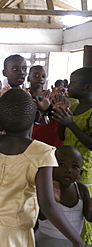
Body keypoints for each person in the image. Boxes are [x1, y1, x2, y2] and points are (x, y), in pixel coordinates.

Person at [0, 89, 84, 247]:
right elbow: (48, 205)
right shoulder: (42, 153)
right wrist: (77, 241)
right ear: (36, 117)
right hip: (12, 234)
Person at [53, 67, 92, 245]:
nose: (69, 86)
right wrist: (61, 117)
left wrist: (71, 124)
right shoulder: (74, 107)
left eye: (73, 82)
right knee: (67, 209)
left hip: (84, 171)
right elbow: (62, 136)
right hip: (65, 168)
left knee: (83, 212)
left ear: (88, 87)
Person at [36, 145, 92, 247]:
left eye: (74, 166)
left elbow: (89, 217)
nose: (68, 170)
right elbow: (40, 216)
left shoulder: (81, 189)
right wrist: (53, 201)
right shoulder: (47, 188)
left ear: (81, 173)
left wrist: (91, 208)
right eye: (61, 164)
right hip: (45, 241)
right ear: (51, 167)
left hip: (73, 243)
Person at [0, 54, 27, 135]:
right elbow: (0, 119)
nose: (21, 72)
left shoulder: (26, 93)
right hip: (3, 135)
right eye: (15, 69)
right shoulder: (2, 94)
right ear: (5, 73)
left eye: (24, 69)